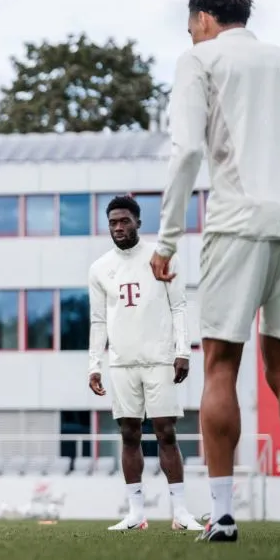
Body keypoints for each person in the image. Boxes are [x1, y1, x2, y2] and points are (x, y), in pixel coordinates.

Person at [151, 0, 280, 543]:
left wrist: (165, 240)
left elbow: (186, 151)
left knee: (220, 364)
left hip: (238, 222)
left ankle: (223, 514)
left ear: (204, 20)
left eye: (191, 29)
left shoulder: (201, 60)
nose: (192, 38)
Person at [87, 196, 203, 533]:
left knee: (166, 431)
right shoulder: (99, 268)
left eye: (124, 221)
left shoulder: (161, 257)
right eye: (113, 222)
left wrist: (184, 351)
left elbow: (179, 306)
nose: (118, 227)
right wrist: (94, 365)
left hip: (159, 359)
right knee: (129, 434)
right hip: (122, 363)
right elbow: (97, 321)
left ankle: (180, 513)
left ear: (138, 222)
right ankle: (136, 513)